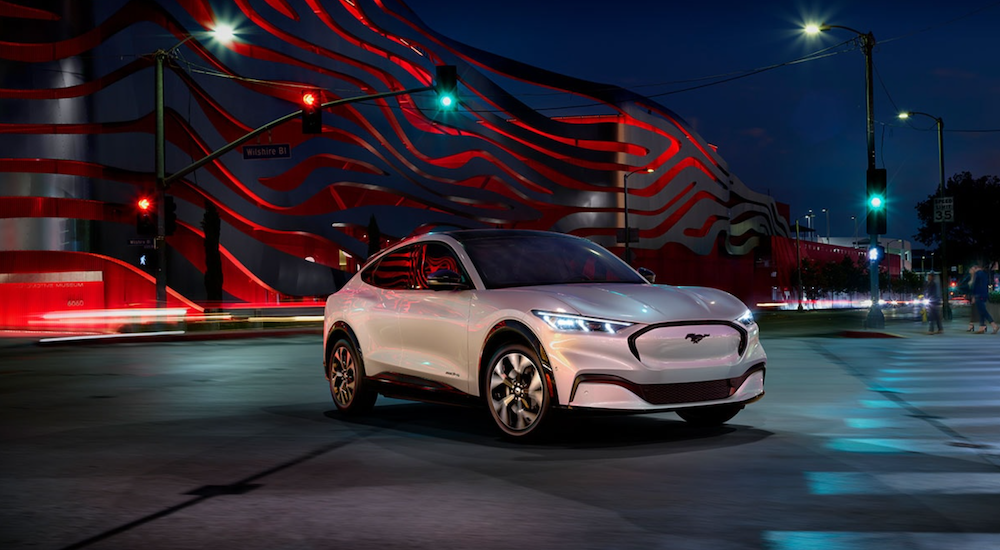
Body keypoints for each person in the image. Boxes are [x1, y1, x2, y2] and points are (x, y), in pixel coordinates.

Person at [969, 264, 999, 334]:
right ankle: (982, 326)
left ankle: (994, 325)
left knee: (983, 311)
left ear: (975, 268)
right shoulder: (984, 274)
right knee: (981, 311)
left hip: (978, 295)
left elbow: (974, 286)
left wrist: (973, 296)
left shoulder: (977, 274)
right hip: (984, 294)